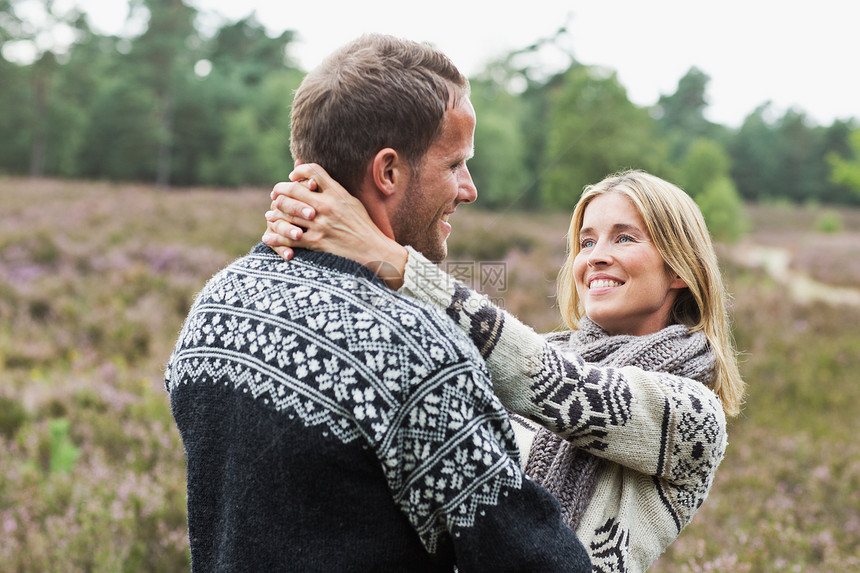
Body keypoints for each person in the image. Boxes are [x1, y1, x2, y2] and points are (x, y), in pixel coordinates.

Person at [165, 34, 591, 572]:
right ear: (388, 171)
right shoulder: (416, 351)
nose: (470, 188)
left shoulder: (216, 307)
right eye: (455, 164)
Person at [263, 166, 744, 572]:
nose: (595, 255)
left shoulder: (695, 416)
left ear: (680, 269)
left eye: (625, 237)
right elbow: (431, 356)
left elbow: (549, 381)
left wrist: (381, 254)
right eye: (586, 240)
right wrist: (306, 242)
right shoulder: (540, 352)